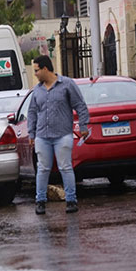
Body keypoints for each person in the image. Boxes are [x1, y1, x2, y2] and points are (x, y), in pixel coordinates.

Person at [28, 55, 90, 215]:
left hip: (62, 134)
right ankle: (40, 201)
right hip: (42, 136)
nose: (35, 74)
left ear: (45, 69)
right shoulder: (37, 90)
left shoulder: (67, 84)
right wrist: (31, 133)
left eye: (36, 70)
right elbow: (32, 112)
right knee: (43, 168)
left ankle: (71, 200)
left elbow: (80, 105)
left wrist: (83, 125)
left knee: (65, 167)